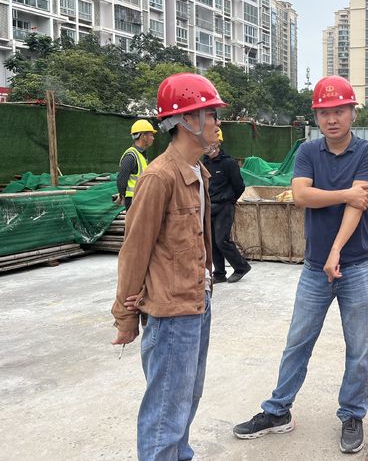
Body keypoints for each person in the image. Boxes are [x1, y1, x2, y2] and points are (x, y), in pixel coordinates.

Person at [233, 75, 368, 455]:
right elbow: (300, 196)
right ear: (316, 116)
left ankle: (352, 414)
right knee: (297, 341)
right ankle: (278, 411)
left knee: (358, 346)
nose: (332, 119)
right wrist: (346, 192)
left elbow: (356, 208)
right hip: (315, 269)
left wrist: (335, 251)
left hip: (355, 266)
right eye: (324, 112)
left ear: (352, 113)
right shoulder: (308, 152)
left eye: (339, 111)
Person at [111, 73, 225, 460]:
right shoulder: (159, 177)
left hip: (197, 302)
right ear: (188, 120)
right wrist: (125, 318)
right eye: (212, 115)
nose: (217, 123)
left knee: (186, 399)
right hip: (171, 313)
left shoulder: (199, 173)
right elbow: (134, 251)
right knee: (165, 412)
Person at [203, 128, 252, 284]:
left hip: (224, 206)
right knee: (212, 242)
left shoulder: (228, 163)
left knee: (222, 240)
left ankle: (241, 267)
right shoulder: (204, 163)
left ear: (218, 142)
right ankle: (219, 273)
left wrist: (230, 200)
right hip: (209, 207)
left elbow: (239, 186)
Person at [117, 119, 157, 210]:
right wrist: (122, 196)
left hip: (140, 197)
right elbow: (121, 180)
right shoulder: (131, 156)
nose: (153, 138)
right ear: (143, 136)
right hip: (134, 199)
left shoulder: (141, 154)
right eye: (151, 135)